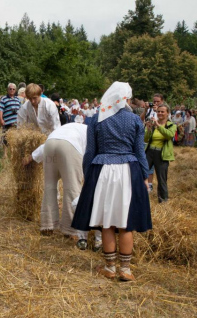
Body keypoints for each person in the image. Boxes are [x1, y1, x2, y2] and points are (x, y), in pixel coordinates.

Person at [72, 82, 151, 282]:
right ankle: (125, 270)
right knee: (126, 223)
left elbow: (90, 152)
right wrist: (144, 176)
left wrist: (87, 174)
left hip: (103, 171)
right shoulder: (134, 120)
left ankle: (110, 267)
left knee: (107, 222)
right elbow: (140, 152)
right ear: (125, 98)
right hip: (129, 170)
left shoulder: (96, 120)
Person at [22, 123, 102, 248]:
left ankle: (47, 226)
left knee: (49, 186)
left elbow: (53, 143)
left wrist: (31, 157)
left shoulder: (71, 128)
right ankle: (70, 230)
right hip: (70, 147)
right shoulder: (91, 133)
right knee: (72, 188)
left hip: (49, 143)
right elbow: (89, 155)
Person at [144, 104, 176, 203]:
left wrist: (158, 126)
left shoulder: (171, 125)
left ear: (168, 113)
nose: (160, 113)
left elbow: (169, 135)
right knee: (142, 173)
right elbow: (145, 139)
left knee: (161, 178)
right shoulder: (153, 124)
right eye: (158, 111)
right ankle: (139, 196)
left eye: (162, 111)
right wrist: (148, 129)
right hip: (150, 152)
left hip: (162, 154)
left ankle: (163, 201)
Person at [0, 83, 21, 157]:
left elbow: (21, 110)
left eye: (13, 89)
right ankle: (4, 153)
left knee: (15, 138)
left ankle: (12, 153)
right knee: (6, 138)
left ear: (15, 90)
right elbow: (1, 110)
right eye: (10, 89)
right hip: (7, 121)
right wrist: (1, 119)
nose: (12, 90)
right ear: (7, 89)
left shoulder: (17, 99)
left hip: (16, 122)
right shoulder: (4, 98)